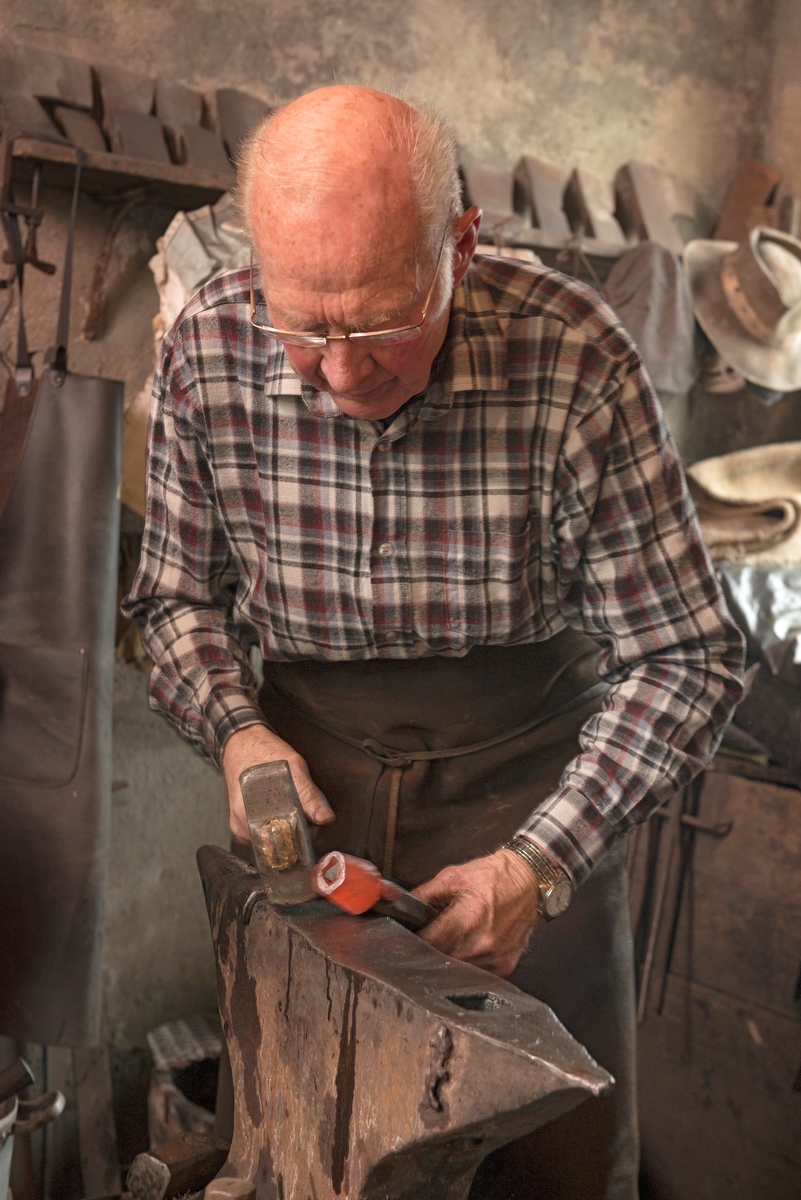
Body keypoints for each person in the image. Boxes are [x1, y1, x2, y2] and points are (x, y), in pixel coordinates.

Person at [123, 86, 744, 1199]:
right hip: (313, 813)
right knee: (314, 1157)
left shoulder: (573, 356)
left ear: (460, 246)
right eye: (305, 327)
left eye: (375, 322)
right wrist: (236, 732)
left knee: (548, 1167)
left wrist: (539, 866)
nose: (345, 372)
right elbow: (173, 603)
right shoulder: (208, 347)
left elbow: (689, 655)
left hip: (533, 808)